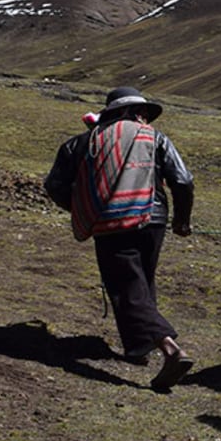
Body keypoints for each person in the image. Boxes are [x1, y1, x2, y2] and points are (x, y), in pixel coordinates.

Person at [44, 87, 196, 391]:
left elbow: (55, 186)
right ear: (130, 113)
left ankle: (170, 349)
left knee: (126, 289)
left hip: (110, 222)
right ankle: (139, 349)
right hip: (153, 220)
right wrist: (181, 221)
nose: (143, 119)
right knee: (140, 282)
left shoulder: (81, 144)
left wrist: (82, 208)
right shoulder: (155, 138)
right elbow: (182, 180)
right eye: (141, 113)